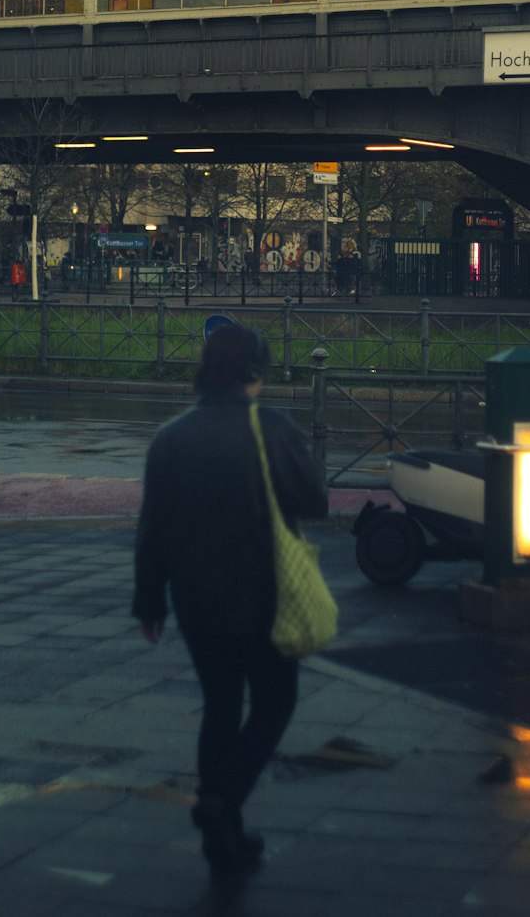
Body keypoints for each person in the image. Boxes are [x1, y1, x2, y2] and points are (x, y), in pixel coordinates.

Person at [133, 323, 328, 875]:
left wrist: (150, 602)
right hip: (265, 594)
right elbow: (314, 499)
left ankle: (226, 836)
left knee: (220, 706)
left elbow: (154, 531)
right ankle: (222, 801)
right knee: (274, 702)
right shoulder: (273, 428)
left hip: (196, 601)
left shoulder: (170, 438)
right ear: (252, 374)